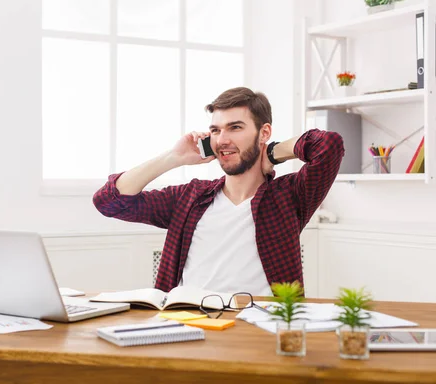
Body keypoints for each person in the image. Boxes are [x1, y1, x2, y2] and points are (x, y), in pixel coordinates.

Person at [93, 87, 344, 295]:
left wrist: (270, 152)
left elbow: (329, 145)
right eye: (215, 130)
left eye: (235, 128)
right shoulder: (190, 197)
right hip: (187, 322)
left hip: (259, 328)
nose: (222, 140)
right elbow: (109, 202)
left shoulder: (290, 196)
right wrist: (173, 157)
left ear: (264, 132)